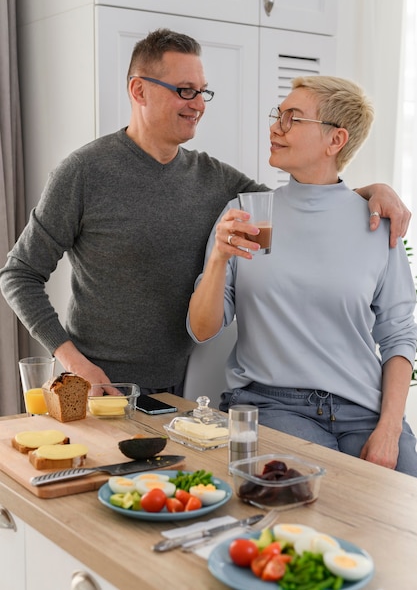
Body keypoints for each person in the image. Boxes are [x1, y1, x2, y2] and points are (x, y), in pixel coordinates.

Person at [0, 30, 411, 399]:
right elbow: (18, 274)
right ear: (139, 90)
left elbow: (301, 204)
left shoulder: (217, 180)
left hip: (177, 393)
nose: (198, 104)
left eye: (202, 92)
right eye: (184, 90)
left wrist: (368, 193)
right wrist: (76, 364)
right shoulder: (84, 172)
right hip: (98, 387)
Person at [187, 75, 417, 476]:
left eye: (293, 118)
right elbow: (202, 330)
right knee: (319, 500)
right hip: (269, 403)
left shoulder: (379, 223)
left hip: (363, 409)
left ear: (335, 140)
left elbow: (398, 335)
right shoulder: (245, 213)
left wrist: (389, 428)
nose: (276, 127)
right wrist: (218, 260)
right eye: (278, 115)